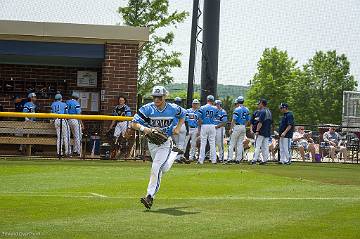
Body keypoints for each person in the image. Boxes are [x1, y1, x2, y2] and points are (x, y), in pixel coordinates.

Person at [131, 86, 185, 209]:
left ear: (164, 97)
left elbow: (183, 114)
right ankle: (174, 154)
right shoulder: (147, 109)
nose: (157, 99)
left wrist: (178, 128)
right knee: (162, 169)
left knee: (155, 166)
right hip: (152, 143)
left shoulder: (172, 108)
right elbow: (133, 123)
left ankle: (149, 196)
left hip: (166, 142)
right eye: (155, 97)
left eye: (159, 97)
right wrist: (145, 129)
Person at [226, 96, 250, 164]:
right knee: (240, 144)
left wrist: (231, 128)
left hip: (237, 126)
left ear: (238, 102)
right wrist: (244, 126)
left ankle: (230, 158)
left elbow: (233, 120)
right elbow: (248, 120)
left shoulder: (237, 109)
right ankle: (238, 159)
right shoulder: (247, 109)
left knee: (232, 143)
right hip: (243, 127)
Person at [197, 95, 219, 164]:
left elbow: (199, 117)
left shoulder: (202, 107)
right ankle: (214, 160)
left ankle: (201, 160)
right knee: (212, 143)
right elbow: (217, 117)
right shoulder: (215, 108)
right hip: (212, 125)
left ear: (207, 100)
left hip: (204, 125)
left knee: (203, 143)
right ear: (212, 101)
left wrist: (201, 123)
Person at [252, 99, 272, 165]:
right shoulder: (269, 111)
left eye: (259, 103)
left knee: (257, 146)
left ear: (262, 104)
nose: (258, 105)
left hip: (261, 131)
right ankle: (265, 160)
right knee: (265, 147)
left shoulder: (262, 111)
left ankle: (254, 159)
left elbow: (260, 123)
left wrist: (257, 130)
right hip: (267, 131)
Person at [66, 92, 83, 157]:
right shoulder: (76, 103)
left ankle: (74, 150)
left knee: (72, 136)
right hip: (75, 120)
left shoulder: (67, 102)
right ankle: (78, 152)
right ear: (77, 98)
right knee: (78, 136)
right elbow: (79, 114)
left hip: (68, 120)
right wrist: (82, 123)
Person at [172, 97, 187, 163]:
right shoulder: (183, 110)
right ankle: (179, 157)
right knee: (181, 143)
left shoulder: (171, 110)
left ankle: (177, 157)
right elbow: (186, 121)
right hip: (182, 126)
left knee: (176, 143)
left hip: (174, 126)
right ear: (180, 102)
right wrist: (188, 130)